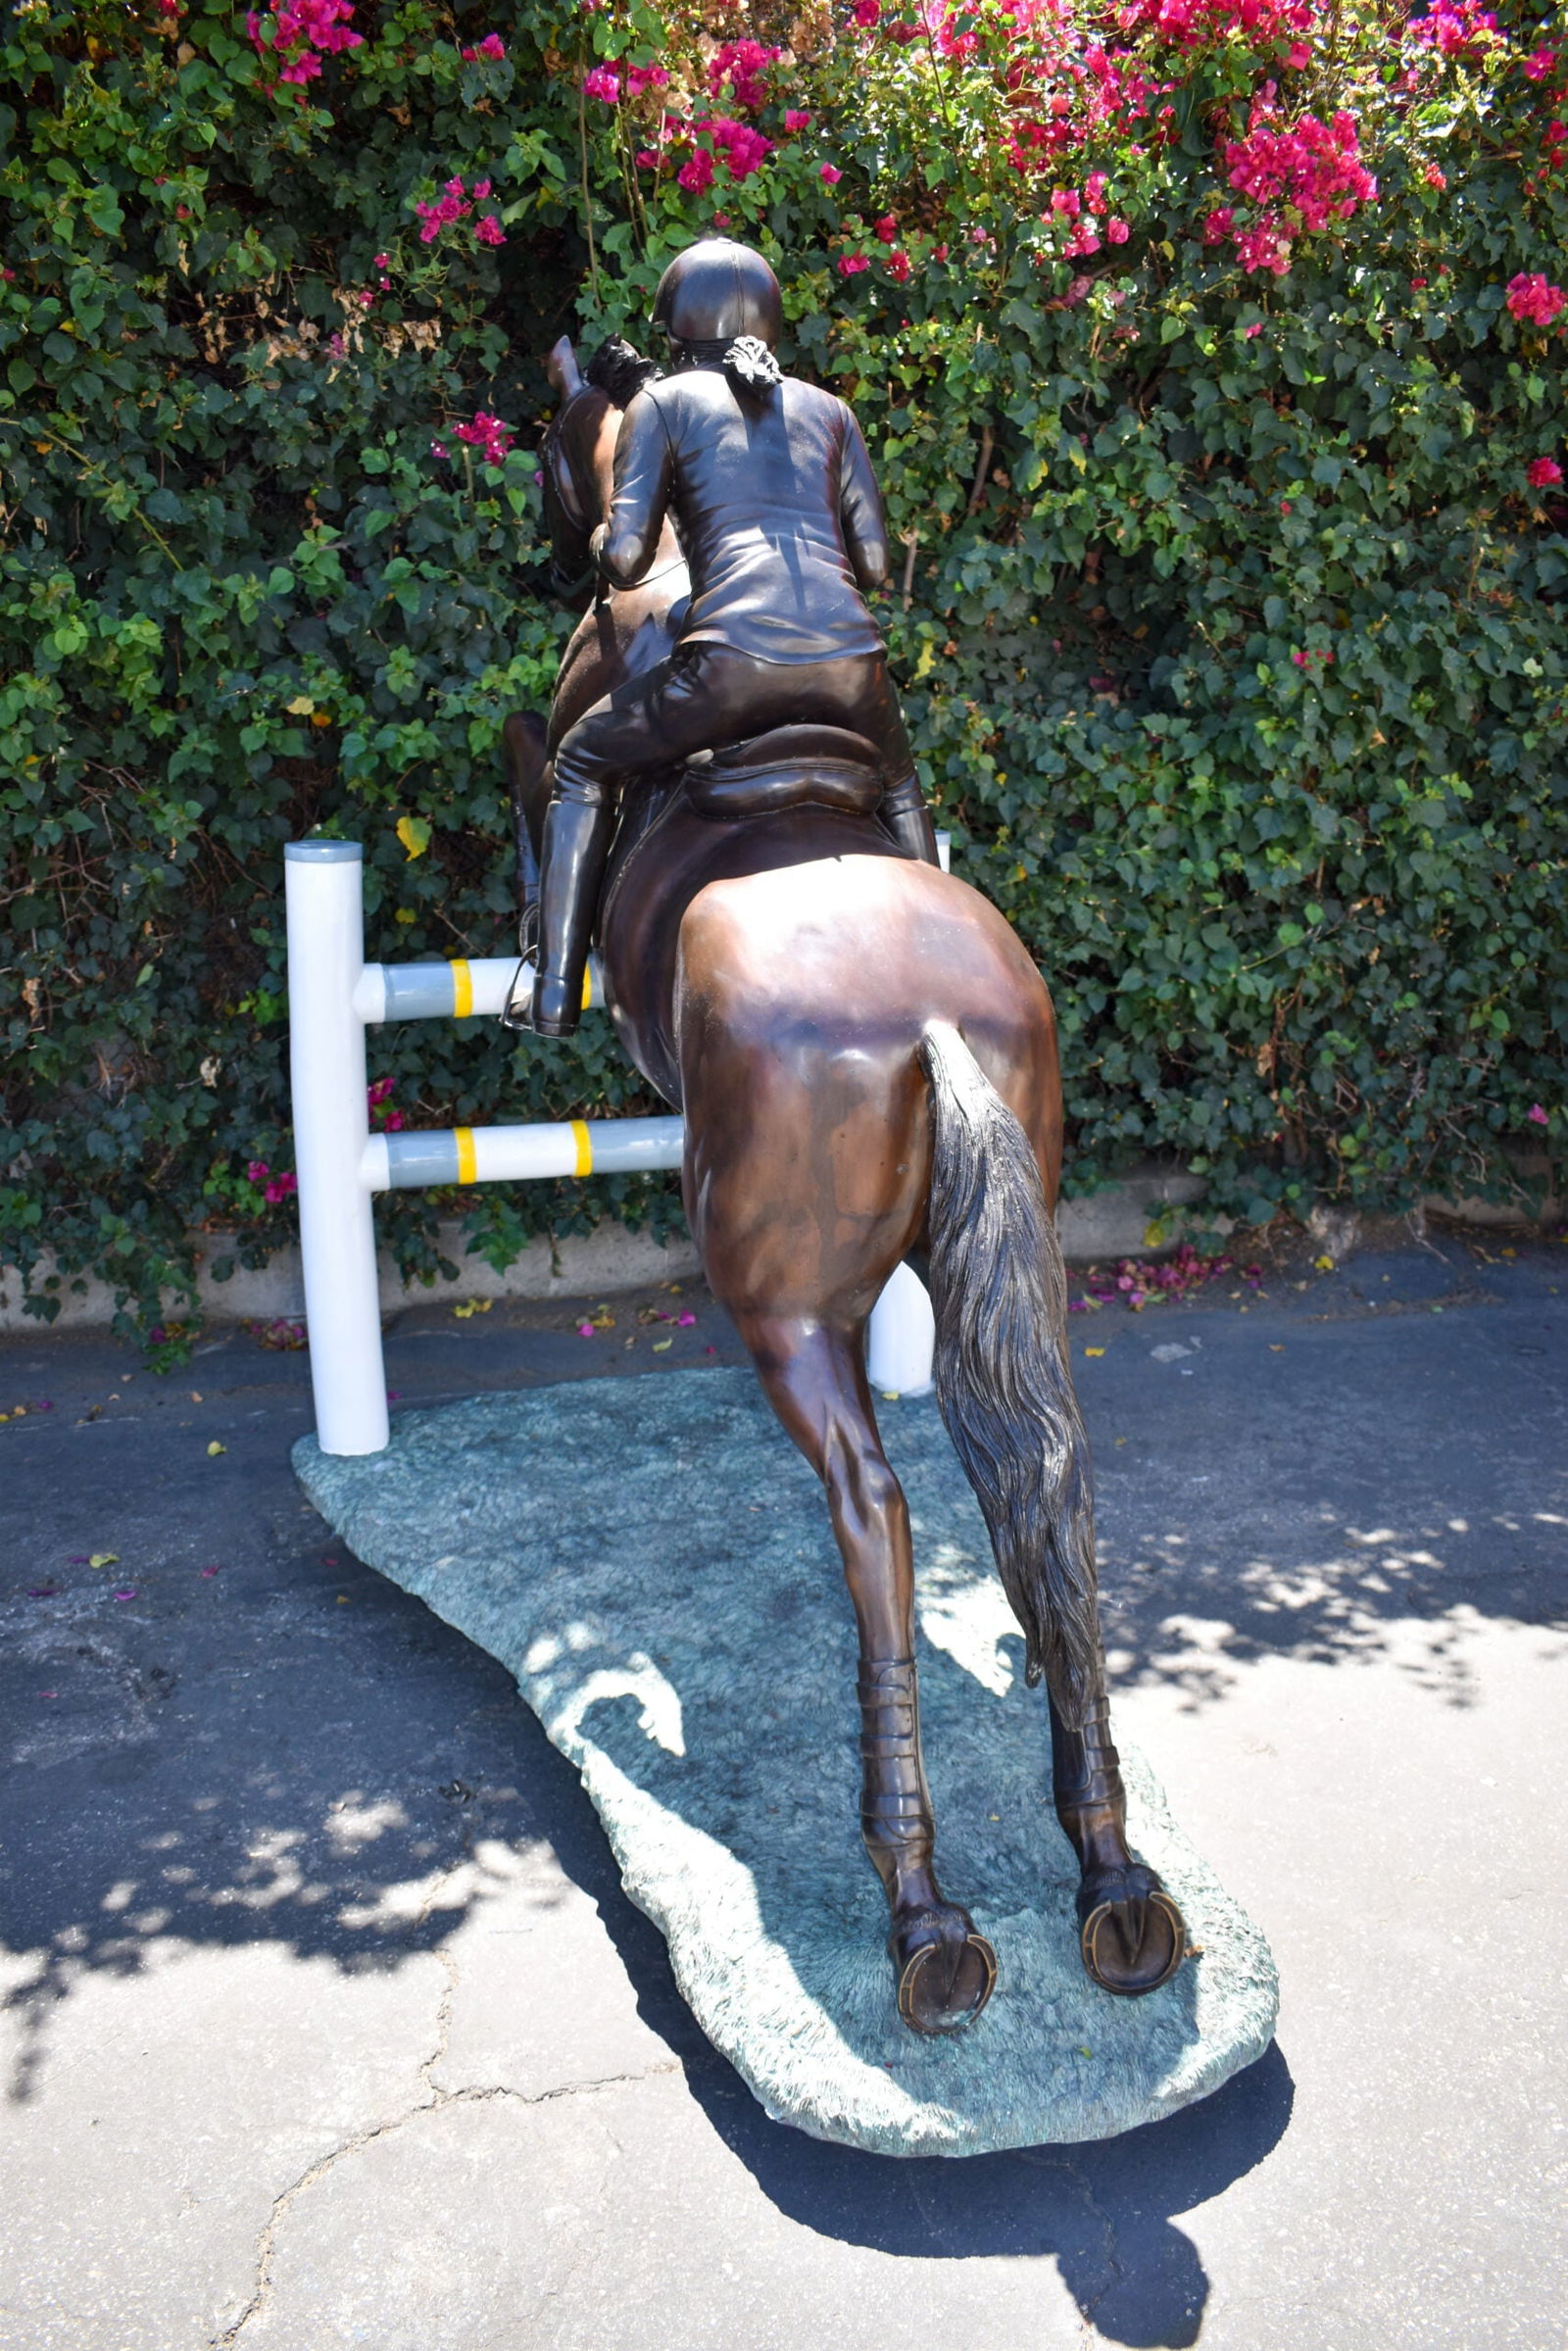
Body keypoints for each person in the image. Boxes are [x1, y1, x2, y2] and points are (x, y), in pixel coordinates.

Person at [526, 235, 940, 1038]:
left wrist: (625, 513)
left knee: (578, 757)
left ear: (675, 331)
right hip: (856, 672)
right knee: (899, 783)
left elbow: (624, 559)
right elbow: (877, 565)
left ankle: (553, 992)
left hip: (730, 671)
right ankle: (936, 950)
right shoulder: (831, 410)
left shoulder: (663, 404)